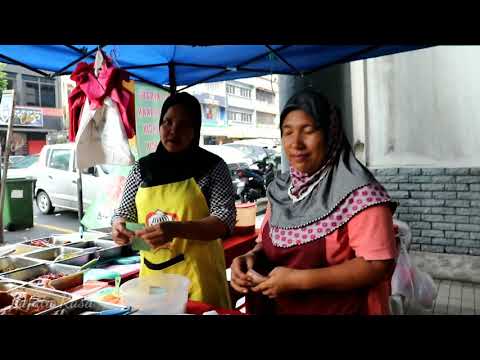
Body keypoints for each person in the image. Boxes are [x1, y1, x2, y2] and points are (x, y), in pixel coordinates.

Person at [230, 89, 398, 315]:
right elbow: (269, 242)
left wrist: (300, 280)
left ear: (331, 134)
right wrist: (250, 257)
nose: (295, 143)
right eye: (287, 132)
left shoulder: (361, 194)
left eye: (308, 131)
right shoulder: (280, 189)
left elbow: (378, 265)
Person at [112, 92, 236, 309]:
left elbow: (224, 221)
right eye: (167, 122)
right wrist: (120, 226)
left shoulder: (212, 167)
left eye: (183, 125)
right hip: (153, 276)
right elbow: (125, 212)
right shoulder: (142, 169)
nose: (173, 130)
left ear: (195, 130)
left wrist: (175, 229)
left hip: (198, 277)